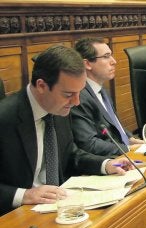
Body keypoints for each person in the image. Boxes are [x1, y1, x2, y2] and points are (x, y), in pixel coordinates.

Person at [0, 45, 133, 216]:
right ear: (41, 86)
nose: (76, 102)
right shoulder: (5, 118)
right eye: (69, 94)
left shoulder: (59, 107)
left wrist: (104, 164)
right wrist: (23, 195)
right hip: (16, 215)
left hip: (59, 206)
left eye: (79, 93)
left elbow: (70, 154)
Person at [71, 37, 144, 156]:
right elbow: (88, 143)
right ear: (87, 64)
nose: (114, 61)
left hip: (124, 154)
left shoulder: (103, 91)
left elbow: (114, 126)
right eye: (106, 56)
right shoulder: (79, 97)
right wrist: (127, 149)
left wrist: (131, 139)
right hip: (108, 162)